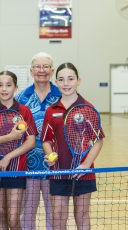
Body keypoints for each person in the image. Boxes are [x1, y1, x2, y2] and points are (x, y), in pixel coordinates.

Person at [41, 62, 104, 229]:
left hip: (83, 173)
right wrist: (49, 155)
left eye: (70, 79)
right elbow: (46, 140)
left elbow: (98, 141)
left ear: (78, 80)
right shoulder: (51, 110)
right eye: (61, 80)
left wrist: (85, 165)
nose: (66, 83)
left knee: (82, 215)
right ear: (56, 82)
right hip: (59, 172)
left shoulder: (87, 108)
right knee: (58, 217)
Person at [0, 71, 37, 229]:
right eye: (0, 85)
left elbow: (30, 142)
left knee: (13, 218)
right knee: (1, 215)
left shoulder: (24, 111)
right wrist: (10, 137)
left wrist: (8, 157)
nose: (4, 89)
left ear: (16, 87)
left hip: (17, 170)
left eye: (8, 85)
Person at [16, 52, 61, 230]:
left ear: (52, 70)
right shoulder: (21, 98)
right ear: (31, 70)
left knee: (55, 213)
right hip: (28, 165)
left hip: (56, 165)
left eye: (45, 66)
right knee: (27, 212)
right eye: (37, 67)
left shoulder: (62, 95)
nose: (41, 70)